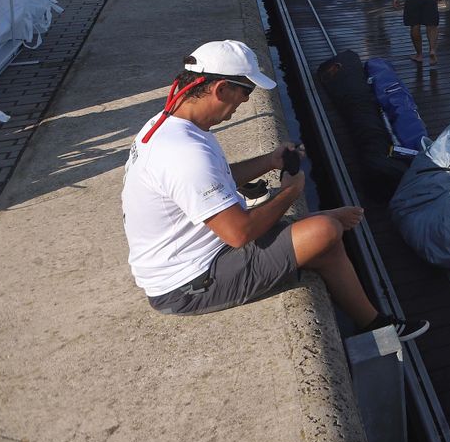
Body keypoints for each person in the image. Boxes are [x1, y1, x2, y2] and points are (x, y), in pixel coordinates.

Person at [121, 40, 427, 339]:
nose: (243, 104)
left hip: (196, 255)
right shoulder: (186, 153)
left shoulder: (168, 125)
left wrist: (270, 160)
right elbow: (238, 233)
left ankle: (374, 324)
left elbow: (215, 178)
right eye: (245, 92)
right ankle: (372, 319)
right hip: (188, 283)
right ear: (220, 89)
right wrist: (290, 193)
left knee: (325, 239)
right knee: (325, 230)